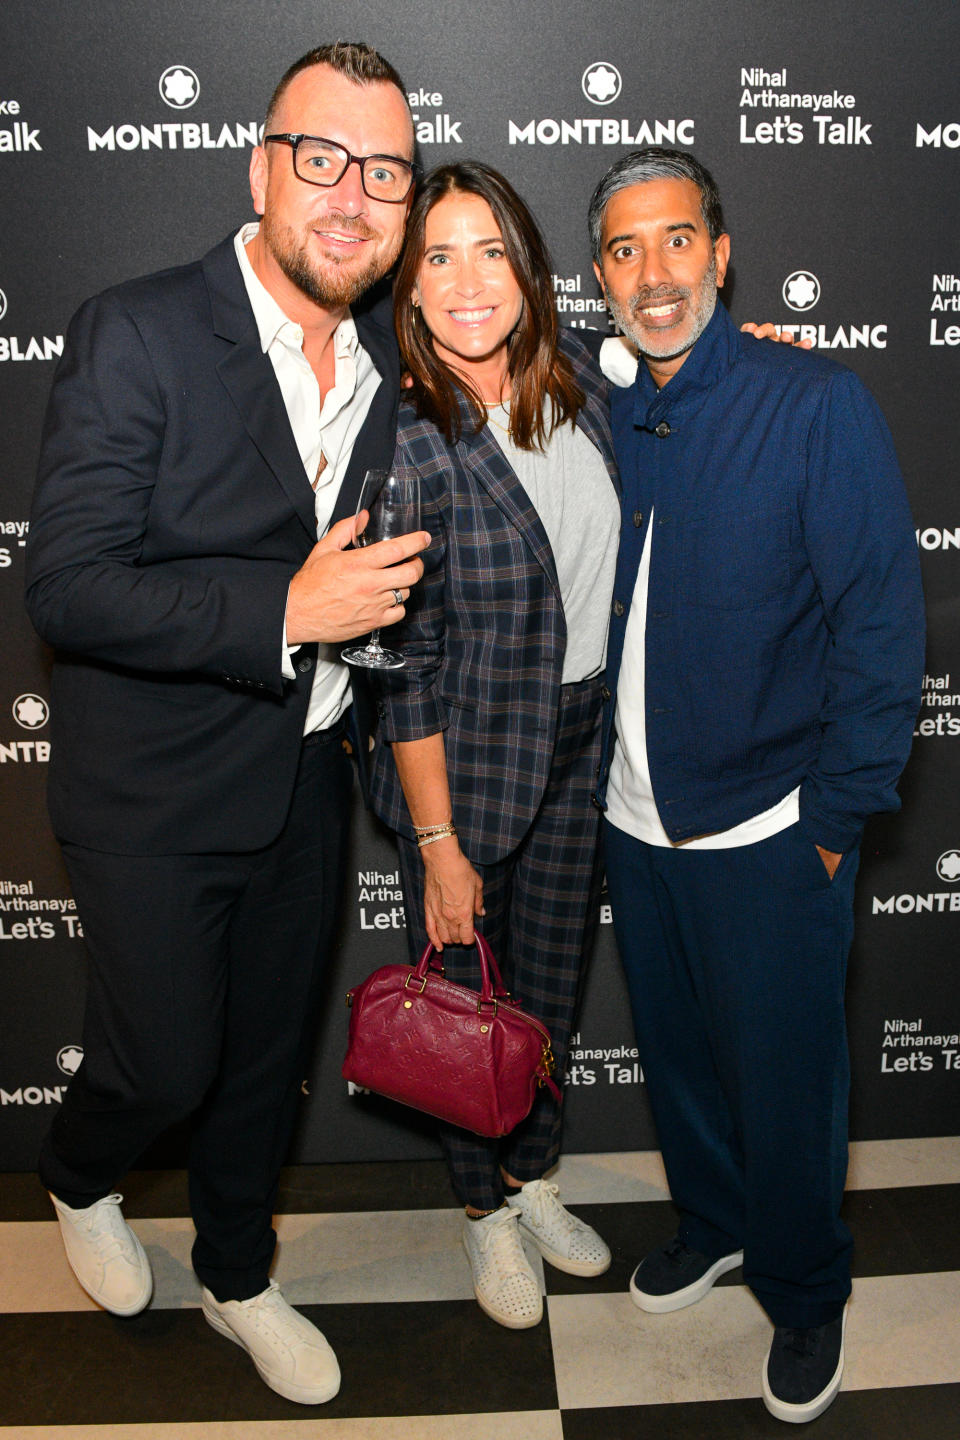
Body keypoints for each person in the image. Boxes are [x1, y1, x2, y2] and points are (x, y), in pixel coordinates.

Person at [24, 42, 430, 1406]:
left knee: (265, 1063)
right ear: (261, 167)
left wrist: (726, 363)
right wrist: (287, 611)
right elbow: (69, 584)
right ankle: (79, 1176)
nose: (351, 196)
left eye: (383, 172)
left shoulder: (385, 362)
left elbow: (532, 386)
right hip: (148, 793)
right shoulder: (137, 328)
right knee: (163, 1062)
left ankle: (239, 1273)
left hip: (305, 780)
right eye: (321, 158)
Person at [588, 147, 925, 1424]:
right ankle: (718, 1222)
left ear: (721, 255)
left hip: (776, 828)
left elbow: (883, 630)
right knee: (680, 1063)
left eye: (678, 241)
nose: (654, 273)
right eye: (625, 249)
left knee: (787, 1085)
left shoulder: (813, 400)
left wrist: (836, 823)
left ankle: (803, 1288)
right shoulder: (598, 403)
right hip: (633, 818)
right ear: (602, 275)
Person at [369, 161, 620, 1330]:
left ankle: (534, 1178)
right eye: (437, 257)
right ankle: (484, 1220)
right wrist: (436, 840)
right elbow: (403, 668)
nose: (469, 282)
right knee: (467, 1002)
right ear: (409, 288)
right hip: (463, 765)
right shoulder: (413, 438)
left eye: (490, 252)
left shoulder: (582, 393)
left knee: (550, 995)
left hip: (585, 745)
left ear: (528, 268)